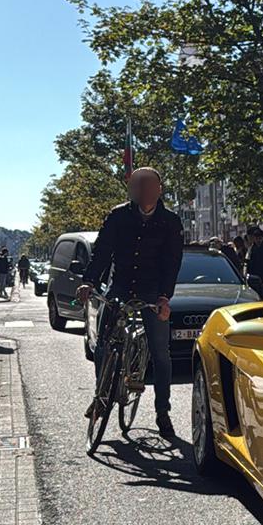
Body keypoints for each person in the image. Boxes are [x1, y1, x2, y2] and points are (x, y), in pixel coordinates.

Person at [80, 167, 184, 440]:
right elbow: (102, 252)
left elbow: (172, 262)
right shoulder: (118, 216)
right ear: (132, 190)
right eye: (138, 186)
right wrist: (89, 281)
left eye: (149, 186)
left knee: (161, 353)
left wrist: (164, 298)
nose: (143, 191)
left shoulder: (170, 222)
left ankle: (163, 412)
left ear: (159, 189)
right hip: (121, 285)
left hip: (153, 290)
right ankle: (101, 396)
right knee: (102, 342)